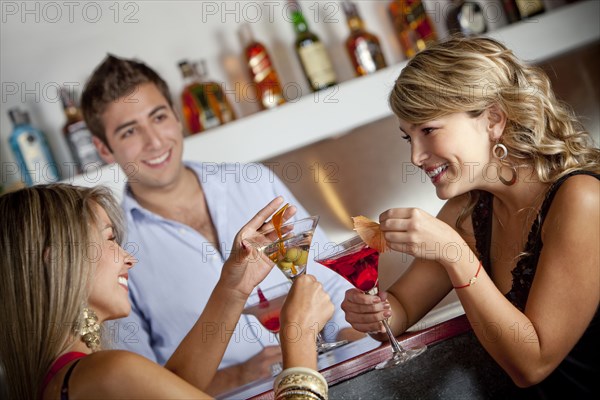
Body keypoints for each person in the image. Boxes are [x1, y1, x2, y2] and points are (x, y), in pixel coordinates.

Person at [80, 55, 363, 394]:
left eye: (158, 117)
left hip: (328, 379)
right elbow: (135, 382)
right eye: (129, 131)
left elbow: (331, 280)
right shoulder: (112, 246)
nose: (154, 141)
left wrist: (357, 349)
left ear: (176, 115)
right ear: (104, 149)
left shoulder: (253, 181)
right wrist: (240, 374)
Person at [342, 36, 599, 398]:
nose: (416, 156)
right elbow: (400, 309)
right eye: (408, 137)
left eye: (428, 130)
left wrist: (454, 253)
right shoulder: (466, 212)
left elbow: (533, 365)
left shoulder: (582, 199)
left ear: (493, 119)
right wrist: (374, 315)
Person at [0, 184, 332, 400]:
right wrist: (299, 334)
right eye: (109, 238)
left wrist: (235, 286)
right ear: (57, 259)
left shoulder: (67, 380)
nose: (129, 259)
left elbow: (173, 386)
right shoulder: (108, 372)